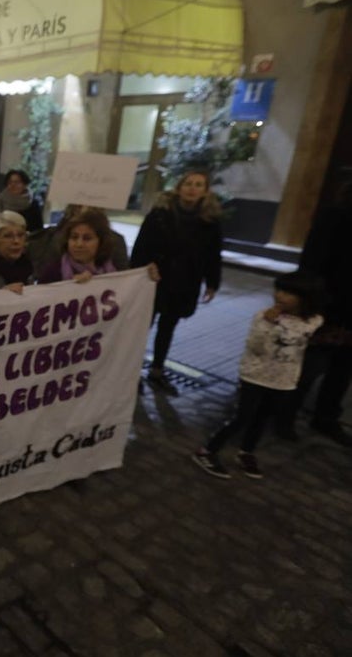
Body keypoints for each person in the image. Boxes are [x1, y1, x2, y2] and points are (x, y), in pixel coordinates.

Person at [191, 272, 325, 479]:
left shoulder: (315, 320)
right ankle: (207, 451)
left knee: (263, 417)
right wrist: (268, 324)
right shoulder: (263, 316)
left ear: (306, 298)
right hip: (255, 375)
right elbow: (255, 347)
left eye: (288, 293)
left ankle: (246, 452)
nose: (280, 295)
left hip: (284, 379)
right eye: (279, 289)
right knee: (242, 416)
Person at [130, 169, 223, 396]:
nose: (192, 188)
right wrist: (140, 269)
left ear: (205, 191)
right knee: (143, 327)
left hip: (185, 282)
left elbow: (213, 255)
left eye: (198, 184)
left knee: (168, 326)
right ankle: (131, 373)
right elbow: (142, 246)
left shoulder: (209, 221)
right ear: (179, 187)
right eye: (188, 183)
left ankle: (157, 370)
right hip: (155, 279)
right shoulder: (160, 214)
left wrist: (212, 283)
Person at [288, 177, 352, 445]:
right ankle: (285, 415)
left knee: (343, 369)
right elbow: (312, 262)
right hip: (329, 307)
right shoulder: (334, 217)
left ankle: (326, 417)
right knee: (309, 365)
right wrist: (310, 302)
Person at [38, 208, 155, 284]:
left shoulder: (114, 271)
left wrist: (146, 278)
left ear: (101, 242)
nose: (79, 244)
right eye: (74, 237)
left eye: (87, 238)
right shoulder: (52, 272)